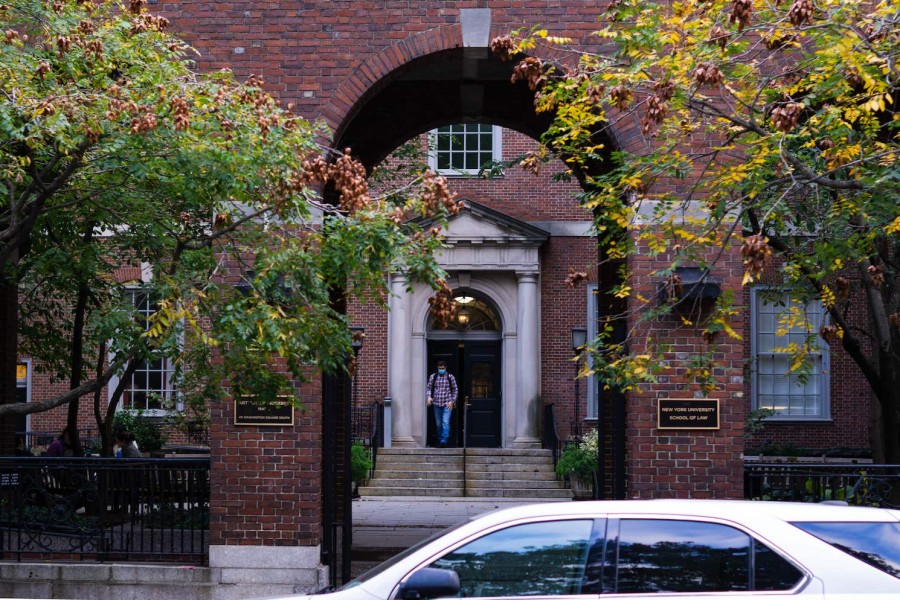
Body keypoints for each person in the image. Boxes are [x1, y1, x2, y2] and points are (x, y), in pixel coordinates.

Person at [426, 360, 457, 447]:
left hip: (447, 404)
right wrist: (428, 397)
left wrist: (452, 401)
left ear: (445, 367)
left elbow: (455, 389)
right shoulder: (433, 377)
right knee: (438, 424)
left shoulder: (450, 377)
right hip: (436, 404)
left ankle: (444, 441)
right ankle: (440, 440)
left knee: (445, 422)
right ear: (437, 367)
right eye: (439, 368)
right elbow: (428, 388)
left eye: (442, 368)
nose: (441, 370)